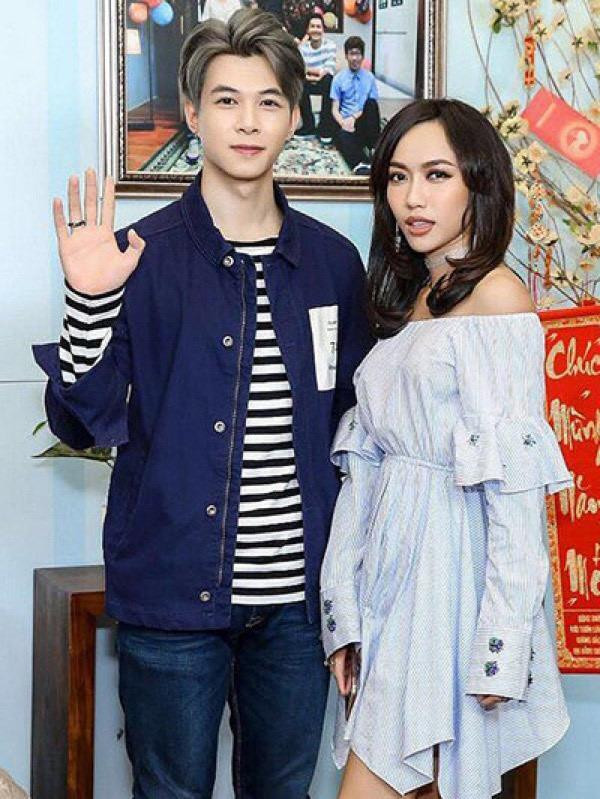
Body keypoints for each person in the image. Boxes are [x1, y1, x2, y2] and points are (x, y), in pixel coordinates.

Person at [34, 9, 372, 799]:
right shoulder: (138, 254)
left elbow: (355, 429)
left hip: (297, 608)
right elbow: (81, 418)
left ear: (294, 115)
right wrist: (89, 302)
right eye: (226, 100)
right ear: (191, 112)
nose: (247, 121)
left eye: (268, 101)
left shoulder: (332, 262)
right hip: (171, 596)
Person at [320, 99, 572, 799]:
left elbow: (515, 494)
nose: (412, 198)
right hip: (391, 576)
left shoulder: (498, 299)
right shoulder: (410, 296)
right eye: (398, 177)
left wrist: (501, 646)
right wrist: (344, 610)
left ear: (478, 184)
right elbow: (364, 471)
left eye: (436, 174)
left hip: (451, 582)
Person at [330, 36, 380, 175]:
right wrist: (344, 123)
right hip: (346, 123)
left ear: (362, 56)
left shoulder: (370, 78)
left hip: (363, 122)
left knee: (371, 104)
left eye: (358, 54)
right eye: (351, 54)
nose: (355, 58)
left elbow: (371, 108)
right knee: (342, 137)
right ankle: (359, 164)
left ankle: (374, 150)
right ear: (346, 56)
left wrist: (354, 117)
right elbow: (334, 109)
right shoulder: (338, 79)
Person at [296, 14, 337, 143]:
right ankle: (308, 125)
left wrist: (312, 72)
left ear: (323, 30)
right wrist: (311, 74)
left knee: (329, 80)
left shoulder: (330, 45)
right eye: (312, 26)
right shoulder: (302, 48)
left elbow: (329, 68)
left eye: (318, 26)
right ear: (308, 30)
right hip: (307, 81)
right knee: (297, 81)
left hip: (324, 81)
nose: (315, 29)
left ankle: (325, 127)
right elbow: (300, 68)